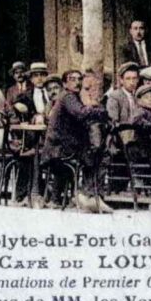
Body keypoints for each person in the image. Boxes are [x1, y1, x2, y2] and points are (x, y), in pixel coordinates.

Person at [42, 70, 111, 213]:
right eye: (72, 79)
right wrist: (99, 109)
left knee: (94, 150)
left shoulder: (72, 97)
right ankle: (88, 195)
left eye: (79, 79)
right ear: (65, 84)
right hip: (59, 148)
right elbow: (81, 113)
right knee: (98, 154)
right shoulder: (68, 97)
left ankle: (88, 194)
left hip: (62, 146)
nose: (77, 82)